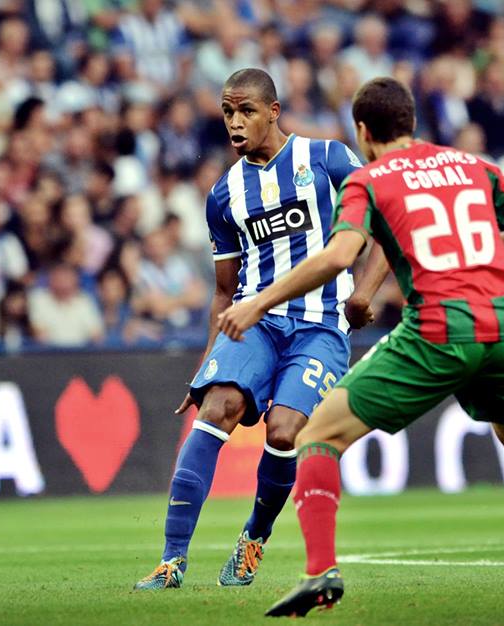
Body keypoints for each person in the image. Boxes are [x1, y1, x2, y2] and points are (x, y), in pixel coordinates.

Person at [217, 77, 504, 615]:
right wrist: (472, 253)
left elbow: (339, 256)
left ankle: (320, 573)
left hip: (438, 329)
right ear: (410, 122)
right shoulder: (472, 166)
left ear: (363, 131)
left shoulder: (369, 180)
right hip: (500, 326)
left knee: (317, 435)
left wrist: (257, 303)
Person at [133, 68, 373, 590]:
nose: (235, 122)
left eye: (245, 111)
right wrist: (206, 364)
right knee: (215, 408)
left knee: (284, 430)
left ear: (273, 111)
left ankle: (253, 538)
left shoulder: (327, 159)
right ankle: (171, 561)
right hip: (255, 323)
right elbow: (224, 291)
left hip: (321, 325)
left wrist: (365, 293)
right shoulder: (224, 194)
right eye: (227, 112)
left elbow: (378, 221)